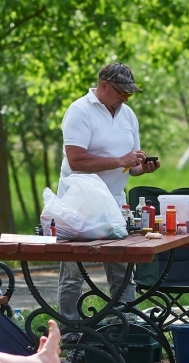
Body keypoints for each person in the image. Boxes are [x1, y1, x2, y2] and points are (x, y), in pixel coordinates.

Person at [56, 63, 160, 347]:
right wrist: (120, 161)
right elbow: (76, 160)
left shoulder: (128, 115)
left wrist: (142, 168)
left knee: (122, 265)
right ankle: (69, 330)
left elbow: (131, 166)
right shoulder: (79, 111)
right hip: (80, 201)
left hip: (114, 202)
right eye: (121, 91)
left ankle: (124, 327)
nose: (126, 97)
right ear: (103, 85)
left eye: (130, 92)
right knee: (74, 269)